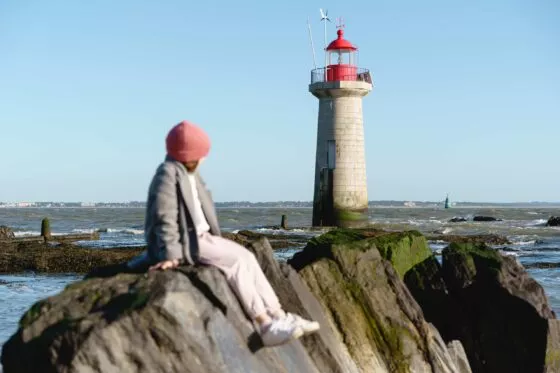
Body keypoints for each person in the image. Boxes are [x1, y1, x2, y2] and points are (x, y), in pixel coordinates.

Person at [128, 120, 319, 347]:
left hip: (201, 237)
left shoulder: (189, 174)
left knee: (248, 257)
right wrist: (170, 255)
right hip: (186, 242)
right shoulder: (167, 175)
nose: (204, 159)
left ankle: (278, 315)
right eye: (201, 154)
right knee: (235, 263)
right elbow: (165, 217)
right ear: (189, 154)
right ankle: (264, 324)